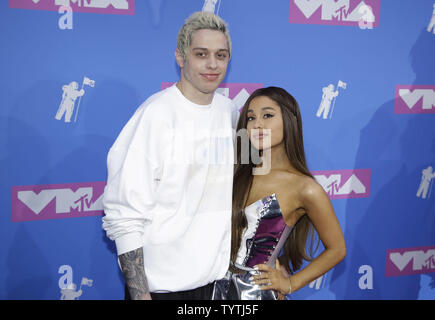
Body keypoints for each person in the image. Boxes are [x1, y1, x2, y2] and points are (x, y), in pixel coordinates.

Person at [102, 11, 236, 300]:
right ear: (180, 57)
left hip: (218, 286)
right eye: (201, 54)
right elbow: (124, 216)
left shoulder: (232, 114)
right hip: (162, 291)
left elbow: (250, 189)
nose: (213, 64)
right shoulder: (154, 116)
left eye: (221, 55)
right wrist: (141, 295)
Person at [220, 86, 346, 299]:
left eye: (267, 115)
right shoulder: (236, 172)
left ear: (289, 120)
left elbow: (337, 249)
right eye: (251, 118)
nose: (257, 124)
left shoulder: (305, 187)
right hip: (211, 288)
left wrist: (289, 284)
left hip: (254, 294)